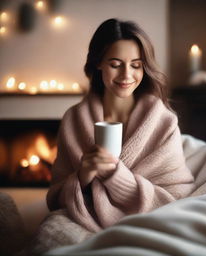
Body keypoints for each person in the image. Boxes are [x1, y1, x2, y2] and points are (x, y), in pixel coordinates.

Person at [32, 18, 194, 254]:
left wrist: (115, 176)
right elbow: (54, 199)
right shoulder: (74, 119)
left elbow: (176, 197)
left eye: (136, 65)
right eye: (116, 64)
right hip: (83, 216)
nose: (126, 75)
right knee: (48, 238)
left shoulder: (163, 121)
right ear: (99, 63)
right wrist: (82, 177)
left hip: (145, 221)